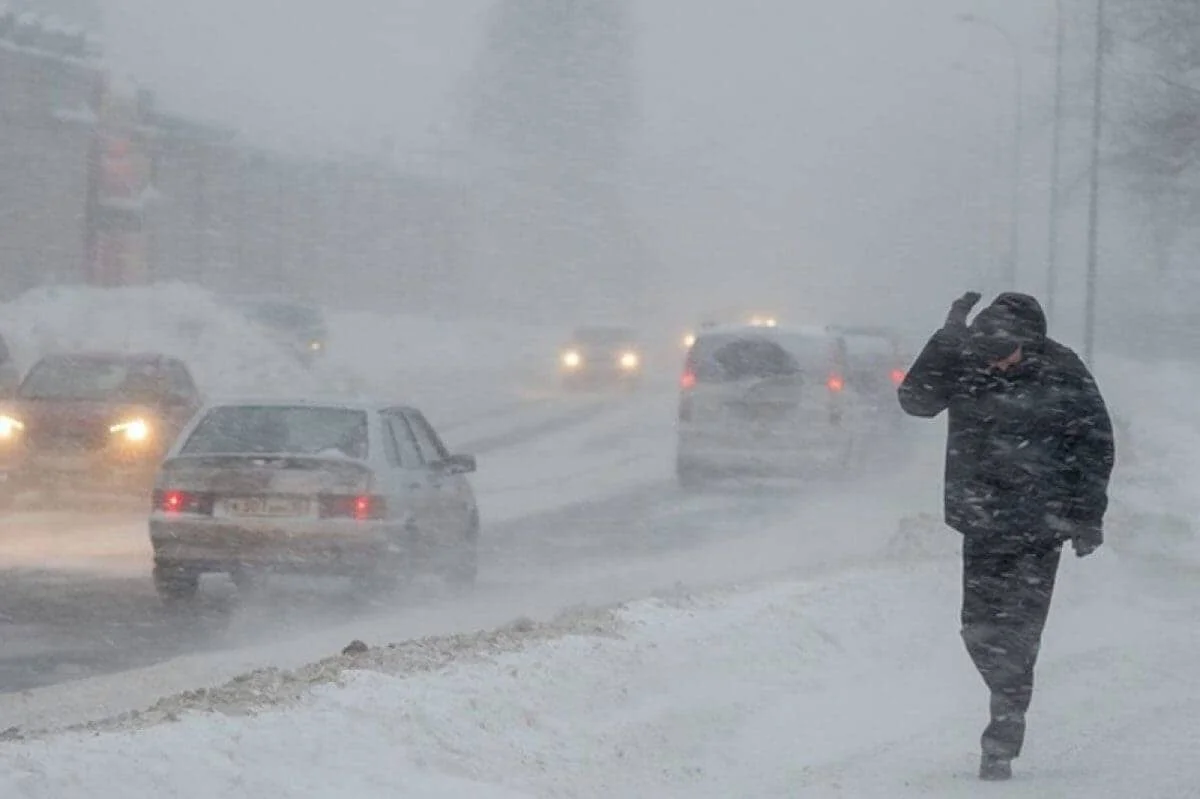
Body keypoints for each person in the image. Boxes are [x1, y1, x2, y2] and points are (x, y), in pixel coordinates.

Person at [897, 291, 1115, 781]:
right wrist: (947, 339)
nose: (997, 365)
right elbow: (915, 401)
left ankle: (1004, 727)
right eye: (989, 355)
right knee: (977, 627)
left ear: (1029, 342)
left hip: (1042, 526)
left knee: (1019, 631)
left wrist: (1087, 516)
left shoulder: (1063, 370)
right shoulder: (968, 361)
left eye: (1006, 354)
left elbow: (1095, 445)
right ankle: (1008, 693)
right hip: (983, 520)